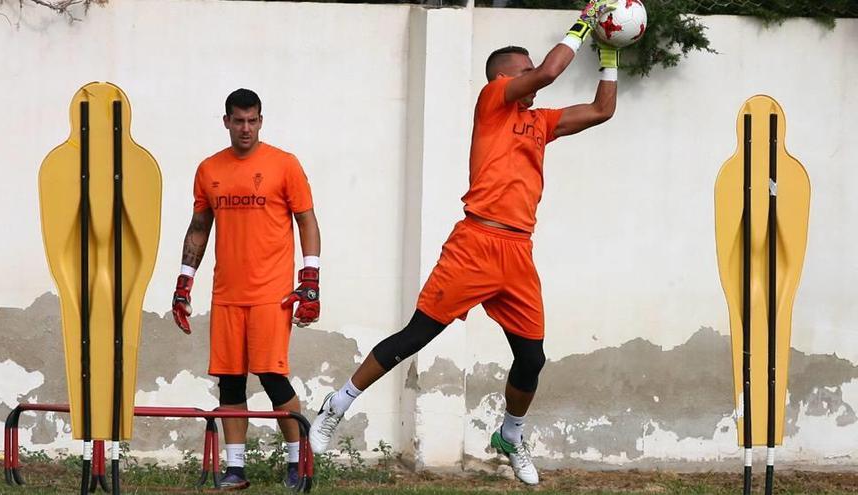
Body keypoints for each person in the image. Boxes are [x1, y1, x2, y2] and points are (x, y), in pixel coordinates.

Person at [309, 0, 618, 485]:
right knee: (416, 336)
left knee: (532, 358)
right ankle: (338, 403)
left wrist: (610, 52)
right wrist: (586, 18)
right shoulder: (493, 102)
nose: (531, 74)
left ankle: (510, 435)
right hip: (475, 243)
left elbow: (603, 109)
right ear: (501, 78)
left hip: (518, 251)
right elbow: (548, 73)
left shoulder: (541, 123)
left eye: (529, 69)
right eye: (523, 70)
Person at [171, 88, 321, 490]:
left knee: (272, 376)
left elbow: (307, 221)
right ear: (226, 122)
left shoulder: (284, 164)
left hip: (272, 292)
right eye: (238, 121)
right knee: (230, 381)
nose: (245, 129)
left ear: (261, 121)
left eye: (253, 120)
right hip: (227, 293)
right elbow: (199, 227)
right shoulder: (208, 169)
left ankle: (297, 462)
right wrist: (184, 281)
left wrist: (311, 279)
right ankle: (235, 469)